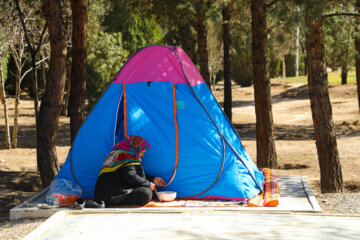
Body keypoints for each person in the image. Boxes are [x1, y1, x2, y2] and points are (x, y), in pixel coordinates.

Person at [93, 135, 165, 207]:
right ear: (136, 148)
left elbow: (134, 174)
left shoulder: (125, 155)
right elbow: (130, 176)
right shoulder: (125, 156)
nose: (142, 155)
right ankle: (112, 203)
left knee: (150, 192)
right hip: (109, 195)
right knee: (146, 193)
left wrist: (153, 179)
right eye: (142, 152)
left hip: (116, 191)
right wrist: (148, 184)